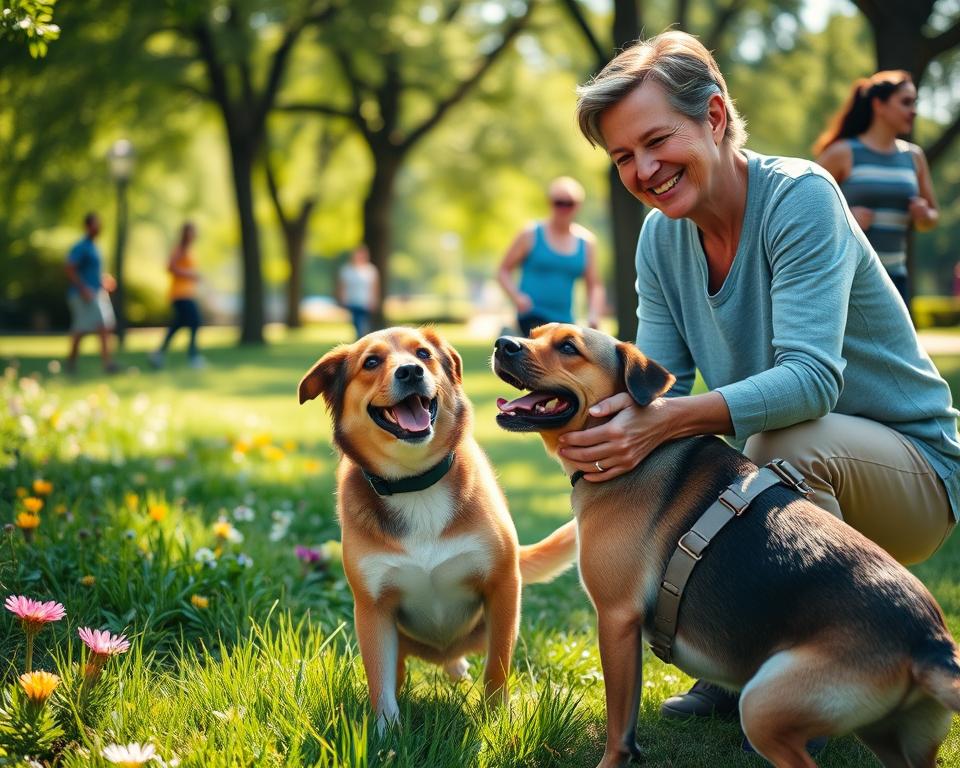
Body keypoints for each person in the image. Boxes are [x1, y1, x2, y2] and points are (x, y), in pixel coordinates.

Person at [567, 30, 960, 726]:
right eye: (625, 156)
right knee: (711, 463)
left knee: (779, 446)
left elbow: (810, 382)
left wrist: (663, 421)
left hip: (912, 470)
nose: (645, 169)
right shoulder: (663, 238)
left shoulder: (800, 198)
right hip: (778, 456)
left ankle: (817, 672)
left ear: (714, 117)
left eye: (658, 141)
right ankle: (744, 668)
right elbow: (654, 386)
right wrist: (600, 431)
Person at [814, 70, 939, 305]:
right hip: (847, 278)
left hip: (895, 280)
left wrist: (924, 216)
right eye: (905, 102)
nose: (914, 110)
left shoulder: (914, 157)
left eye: (915, 103)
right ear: (879, 105)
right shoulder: (842, 153)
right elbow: (804, 207)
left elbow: (932, 217)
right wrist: (845, 219)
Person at [497, 177, 605, 335]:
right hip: (532, 316)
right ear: (549, 202)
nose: (563, 208)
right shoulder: (530, 234)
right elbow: (503, 271)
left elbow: (594, 285)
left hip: (565, 320)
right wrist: (517, 297)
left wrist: (594, 315)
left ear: (578, 206)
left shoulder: (586, 242)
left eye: (569, 203)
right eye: (558, 202)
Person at [64, 212, 117, 374]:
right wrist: (82, 288)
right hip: (82, 295)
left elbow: (91, 273)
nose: (98, 227)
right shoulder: (81, 246)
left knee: (101, 326)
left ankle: (104, 363)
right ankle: (105, 364)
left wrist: (103, 281)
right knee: (88, 329)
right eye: (95, 224)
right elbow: (69, 268)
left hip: (96, 293)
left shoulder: (95, 247)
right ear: (87, 226)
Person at [150, 221, 204, 369]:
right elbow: (170, 267)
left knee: (179, 324)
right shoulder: (180, 249)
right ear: (186, 233)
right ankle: (193, 356)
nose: (194, 234)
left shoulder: (190, 250)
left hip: (188, 293)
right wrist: (190, 274)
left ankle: (158, 353)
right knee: (196, 321)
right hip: (180, 294)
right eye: (191, 231)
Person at [337, 244, 379, 339]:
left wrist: (374, 301)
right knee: (357, 323)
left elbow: (374, 287)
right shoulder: (347, 270)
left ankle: (362, 338)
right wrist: (343, 299)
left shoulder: (371, 270)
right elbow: (343, 286)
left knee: (362, 324)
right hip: (352, 302)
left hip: (365, 302)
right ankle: (361, 338)